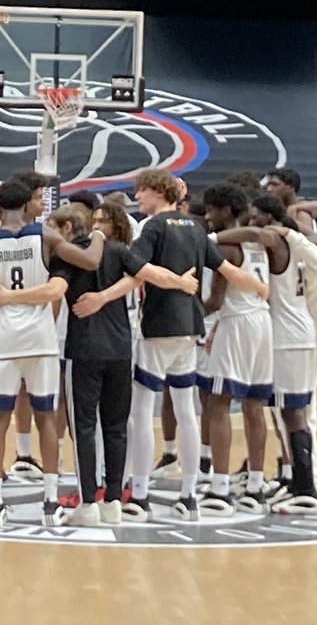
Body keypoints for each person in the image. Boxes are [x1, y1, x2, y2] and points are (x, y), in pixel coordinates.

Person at [117, 170, 270, 523]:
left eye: (140, 192)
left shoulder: (154, 227)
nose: (137, 198)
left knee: (141, 409)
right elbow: (229, 270)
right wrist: (260, 288)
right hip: (190, 327)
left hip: (159, 326)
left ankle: (139, 494)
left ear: (157, 192)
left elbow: (133, 266)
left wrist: (104, 296)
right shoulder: (196, 229)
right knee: (186, 409)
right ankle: (188, 495)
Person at [0, 178, 104, 528]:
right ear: (25, 206)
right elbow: (89, 261)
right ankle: (51, 503)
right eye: (38, 200)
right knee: (46, 418)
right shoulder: (45, 236)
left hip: (5, 338)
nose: (42, 205)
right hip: (40, 338)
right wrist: (98, 235)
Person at [51, 202, 198, 524]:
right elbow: (150, 274)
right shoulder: (120, 252)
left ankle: (90, 502)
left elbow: (57, 289)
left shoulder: (71, 254)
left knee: (86, 429)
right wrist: (181, 282)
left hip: (85, 350)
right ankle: (113, 502)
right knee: (115, 427)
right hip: (119, 349)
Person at [215, 195, 317, 514]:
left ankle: (307, 488)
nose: (251, 222)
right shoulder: (298, 247)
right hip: (296, 331)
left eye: (255, 216)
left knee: (293, 414)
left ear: (269, 218)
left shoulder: (279, 242)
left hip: (288, 336)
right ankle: (295, 480)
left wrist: (209, 238)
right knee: (287, 412)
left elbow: (255, 235)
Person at [199, 183, 274, 517]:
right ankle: (255, 486)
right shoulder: (259, 243)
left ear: (226, 211)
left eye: (212, 210)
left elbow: (215, 301)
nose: (208, 217)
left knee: (218, 403)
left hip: (238, 324)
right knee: (254, 405)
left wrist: (183, 310)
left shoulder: (227, 247)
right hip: (262, 322)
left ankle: (218, 488)